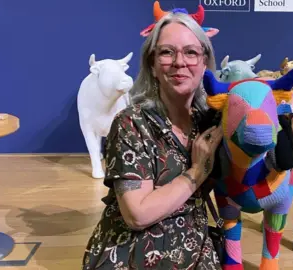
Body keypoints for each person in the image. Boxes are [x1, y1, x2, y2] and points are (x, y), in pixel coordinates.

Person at [81, 11, 224, 270]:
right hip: (132, 254)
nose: (180, 62)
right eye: (167, 52)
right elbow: (138, 215)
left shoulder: (210, 120)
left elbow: (260, 106)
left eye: (191, 52)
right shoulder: (131, 123)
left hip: (196, 250)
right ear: (152, 65)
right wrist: (197, 172)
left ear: (204, 63)